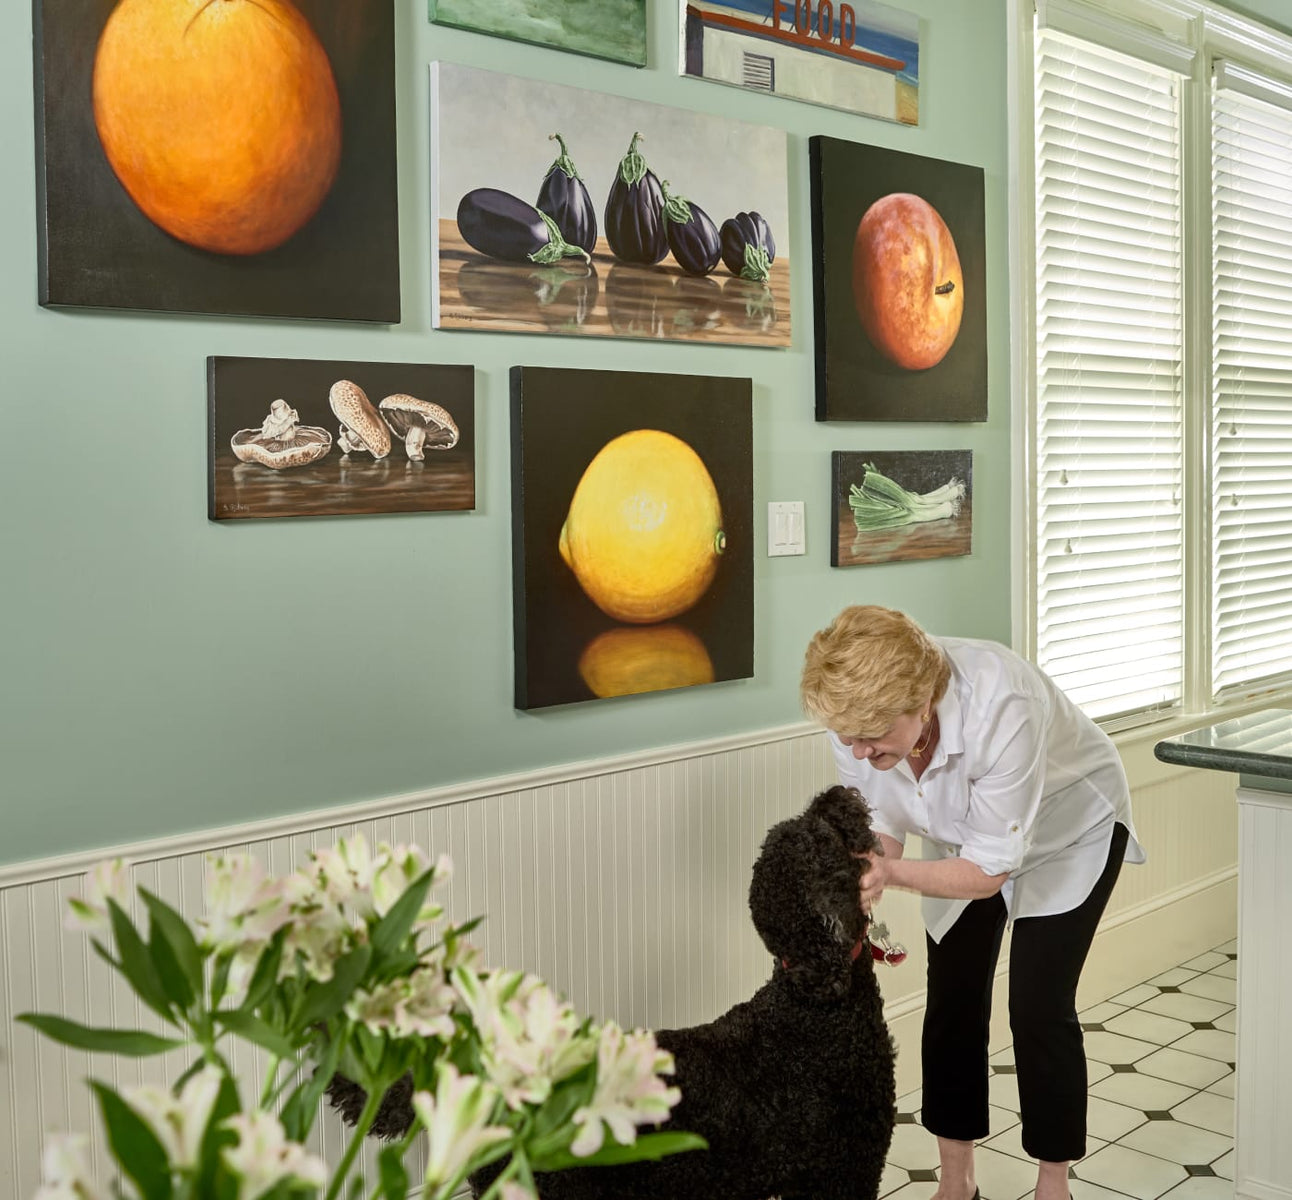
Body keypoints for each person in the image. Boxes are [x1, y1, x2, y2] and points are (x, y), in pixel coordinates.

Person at [800, 605, 1144, 1200]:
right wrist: (865, 871)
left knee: (1038, 1005)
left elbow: (987, 872)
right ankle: (956, 1182)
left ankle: (1053, 1185)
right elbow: (878, 819)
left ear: (920, 702)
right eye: (846, 737)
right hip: (965, 839)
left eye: (870, 736)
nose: (856, 751)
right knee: (954, 998)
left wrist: (891, 872)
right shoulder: (861, 728)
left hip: (1070, 832)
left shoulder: (1003, 704)